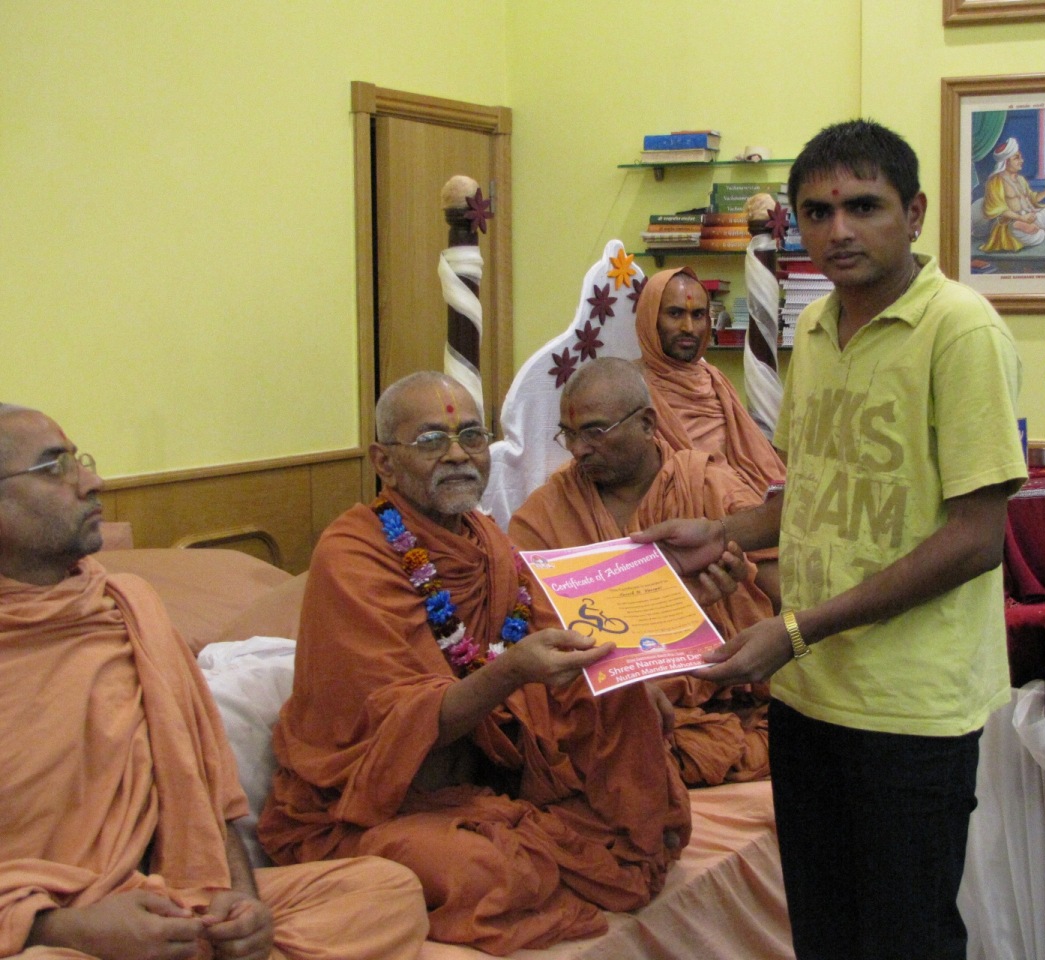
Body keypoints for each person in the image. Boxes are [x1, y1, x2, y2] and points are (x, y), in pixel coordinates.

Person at [635, 120, 1027, 960]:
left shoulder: (962, 331)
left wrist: (797, 628)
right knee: (822, 930)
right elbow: (811, 492)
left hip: (910, 706)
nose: (838, 230)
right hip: (809, 693)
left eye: (863, 206)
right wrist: (723, 527)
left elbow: (975, 538)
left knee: (904, 938)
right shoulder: (813, 331)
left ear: (914, 212)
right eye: (817, 211)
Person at [258, 372, 705, 956]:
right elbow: (402, 722)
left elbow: (549, 627)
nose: (456, 455)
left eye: (471, 435)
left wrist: (618, 674)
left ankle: (541, 829)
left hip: (488, 767)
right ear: (383, 463)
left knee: (631, 727)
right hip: (377, 799)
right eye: (429, 441)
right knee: (487, 873)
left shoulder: (488, 541)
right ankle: (519, 848)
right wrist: (514, 672)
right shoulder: (352, 554)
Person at [0, 403, 428, 960]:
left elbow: (208, 795)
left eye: (79, 460)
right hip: (50, 932)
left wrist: (243, 906)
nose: (92, 481)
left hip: (177, 907)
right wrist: (67, 928)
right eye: (55, 467)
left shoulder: (129, 609)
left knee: (385, 891)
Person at [509, 357, 773, 787]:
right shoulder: (546, 512)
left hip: (717, 702)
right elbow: (525, 622)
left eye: (594, 431)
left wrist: (729, 594)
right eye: (569, 435)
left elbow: (777, 596)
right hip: (607, 710)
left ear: (648, 424)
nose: (578, 450)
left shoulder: (707, 486)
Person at [635, 269, 785, 607]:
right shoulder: (632, 386)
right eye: (675, 314)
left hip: (744, 505)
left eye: (698, 315)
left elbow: (756, 456)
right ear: (650, 319)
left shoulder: (713, 378)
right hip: (684, 509)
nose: (689, 328)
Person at [979, 136, 1045, 253]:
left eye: (1020, 157)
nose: (1021, 160)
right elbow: (997, 209)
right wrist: (1021, 218)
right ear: (1005, 162)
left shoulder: (1020, 179)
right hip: (1010, 222)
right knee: (1037, 236)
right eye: (1016, 158)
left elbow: (1033, 199)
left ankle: (1032, 227)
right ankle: (1023, 227)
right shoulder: (995, 182)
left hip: (1031, 215)